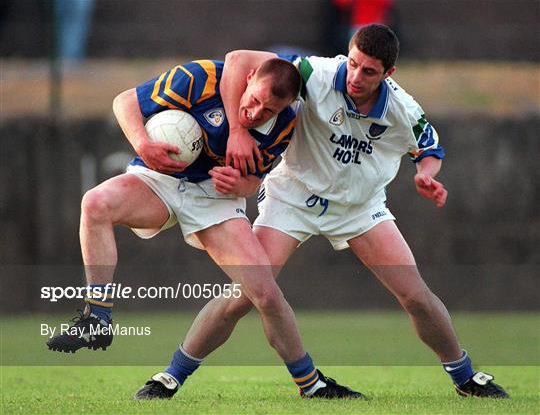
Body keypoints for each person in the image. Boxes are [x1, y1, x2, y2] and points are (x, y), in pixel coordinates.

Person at [168, 24, 510, 399]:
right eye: (353, 64)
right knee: (246, 293)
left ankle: (465, 376)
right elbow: (236, 61)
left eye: (369, 71)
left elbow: (429, 152)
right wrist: (237, 129)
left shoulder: (402, 109)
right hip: (292, 197)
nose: (356, 77)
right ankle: (171, 376)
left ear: (388, 74)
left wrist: (427, 176)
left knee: (415, 296)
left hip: (359, 208)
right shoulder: (316, 73)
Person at [46, 57, 364, 400]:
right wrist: (142, 143)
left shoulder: (285, 123)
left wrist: (239, 184)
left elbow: (254, 180)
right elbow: (125, 100)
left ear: (286, 106)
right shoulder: (201, 78)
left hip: (215, 200)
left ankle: (311, 384)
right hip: (158, 179)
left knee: (266, 294)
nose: (256, 113)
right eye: (255, 100)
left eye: (269, 110)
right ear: (250, 77)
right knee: (95, 203)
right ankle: (98, 317)